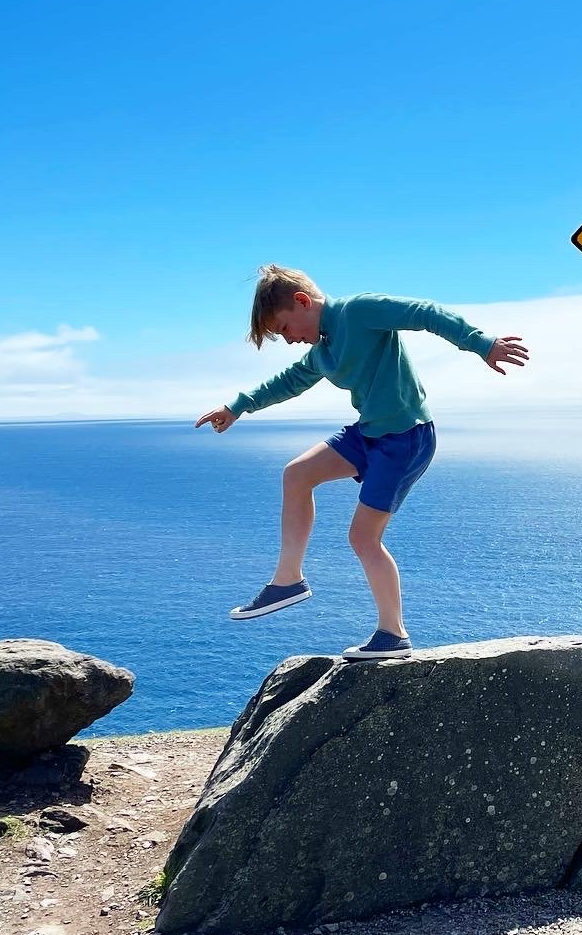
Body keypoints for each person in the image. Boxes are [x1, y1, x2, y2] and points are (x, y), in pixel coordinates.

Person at [196, 264, 529, 658]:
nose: (287, 341)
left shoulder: (359, 311)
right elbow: (288, 381)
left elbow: (426, 313)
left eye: (284, 329)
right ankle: (288, 580)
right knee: (297, 474)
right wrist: (237, 406)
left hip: (406, 437)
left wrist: (481, 343)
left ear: (302, 303)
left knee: (363, 537)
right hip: (369, 433)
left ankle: (394, 635)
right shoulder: (324, 350)